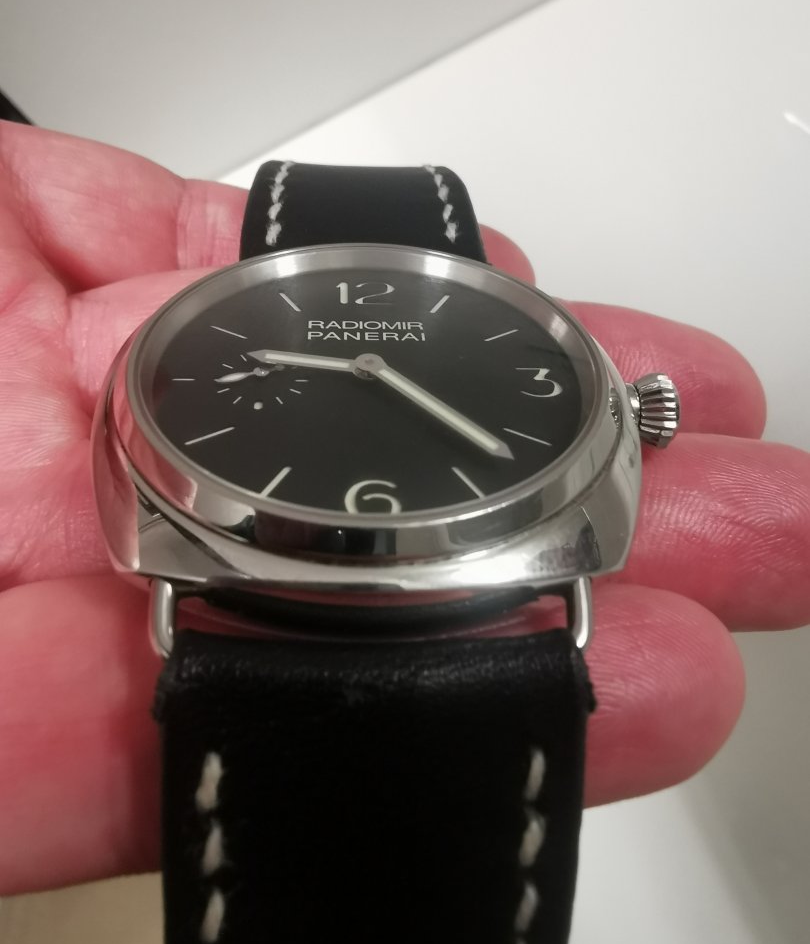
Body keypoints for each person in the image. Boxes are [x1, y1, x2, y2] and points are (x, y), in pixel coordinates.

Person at [0, 120, 807, 896]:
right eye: (367, 363)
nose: (370, 361)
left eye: (375, 364)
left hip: (255, 594)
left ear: (632, 411)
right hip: (317, 601)